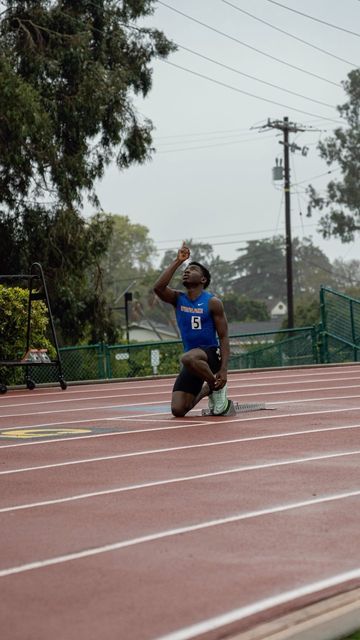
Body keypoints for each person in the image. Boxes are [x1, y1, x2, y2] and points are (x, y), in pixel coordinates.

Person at [153, 242, 232, 417]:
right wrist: (178, 261)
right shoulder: (178, 299)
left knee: (187, 357)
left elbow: (224, 337)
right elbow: (158, 288)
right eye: (186, 269)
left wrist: (224, 370)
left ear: (203, 280)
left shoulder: (212, 302)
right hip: (194, 361)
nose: (187, 271)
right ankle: (209, 389)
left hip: (211, 355)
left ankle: (217, 386)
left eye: (193, 269)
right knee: (178, 409)